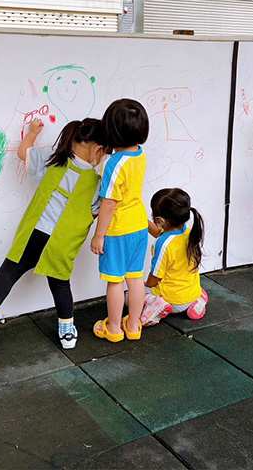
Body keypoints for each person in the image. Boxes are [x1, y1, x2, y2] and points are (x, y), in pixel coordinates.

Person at [0, 118, 107, 352]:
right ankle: (67, 329)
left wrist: (31, 133)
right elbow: (97, 210)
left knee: (9, 270)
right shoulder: (97, 182)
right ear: (97, 148)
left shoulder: (55, 158)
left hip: (35, 231)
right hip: (62, 241)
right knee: (60, 283)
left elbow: (23, 153)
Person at [91, 99, 149, 342]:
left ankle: (114, 328)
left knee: (115, 281)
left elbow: (109, 202)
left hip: (118, 230)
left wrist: (99, 234)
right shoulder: (139, 154)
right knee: (135, 278)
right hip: (139, 226)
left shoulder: (115, 164)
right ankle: (133, 325)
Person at [140, 188, 208, 325]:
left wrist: (146, 285)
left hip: (172, 300)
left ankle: (157, 306)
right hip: (190, 294)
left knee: (130, 296)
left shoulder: (163, 244)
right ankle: (197, 302)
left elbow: (155, 277)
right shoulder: (190, 233)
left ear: (159, 220)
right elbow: (160, 233)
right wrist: (143, 220)